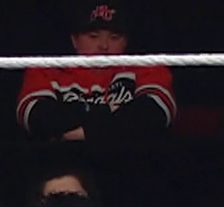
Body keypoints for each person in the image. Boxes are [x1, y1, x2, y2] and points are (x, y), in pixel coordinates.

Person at [16, 2, 175, 141]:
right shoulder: (48, 69)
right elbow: (37, 118)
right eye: (93, 36)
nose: (103, 46)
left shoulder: (146, 66)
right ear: (74, 40)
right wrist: (112, 114)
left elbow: (153, 116)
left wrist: (88, 132)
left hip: (129, 161)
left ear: (126, 41)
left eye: (114, 37)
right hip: (64, 162)